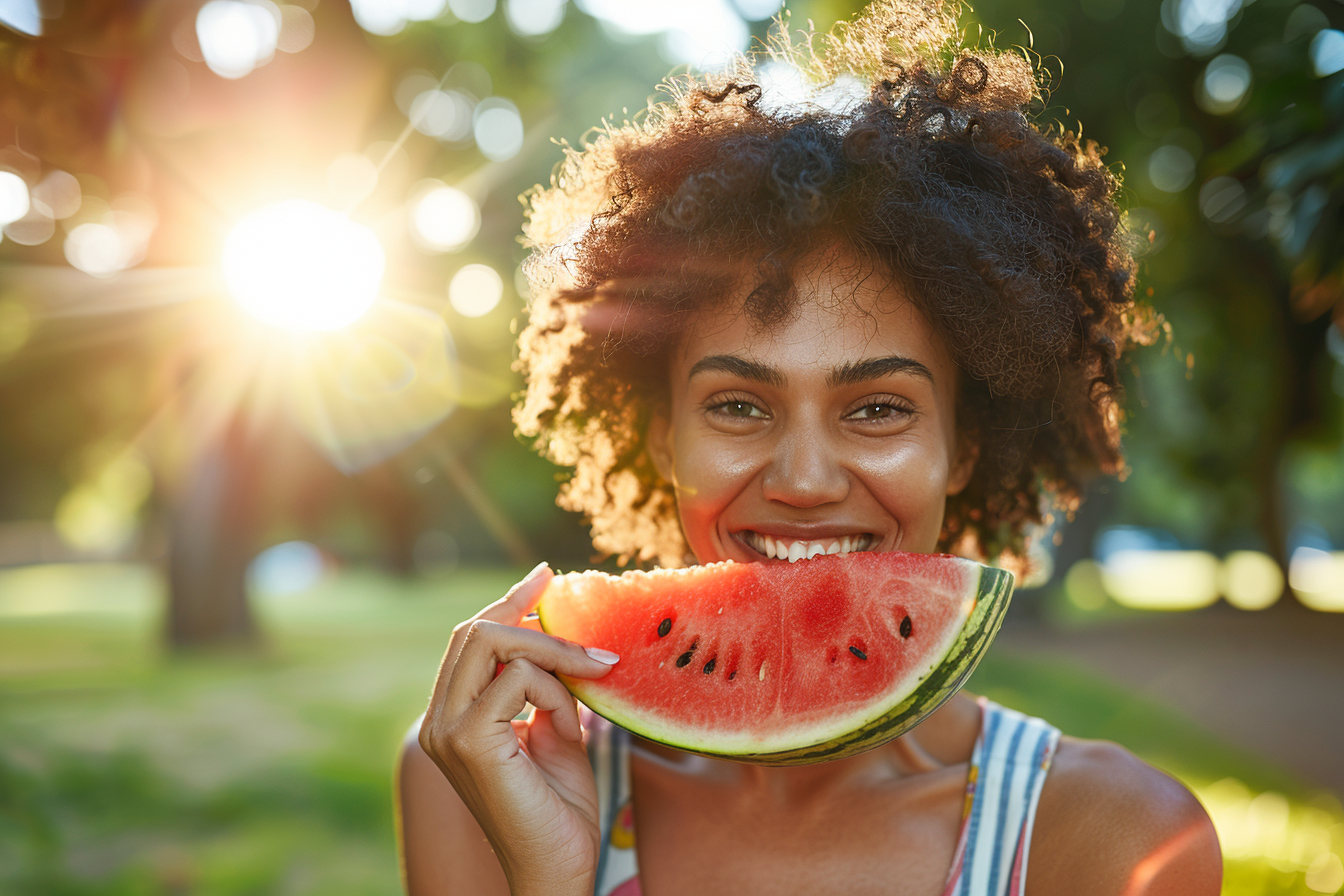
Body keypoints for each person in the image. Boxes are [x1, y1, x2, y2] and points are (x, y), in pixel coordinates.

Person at [396, 2, 1224, 893]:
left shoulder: (1111, 841)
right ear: (662, 439)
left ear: (964, 448)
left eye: (876, 409)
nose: (802, 480)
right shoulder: (480, 782)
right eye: (740, 405)